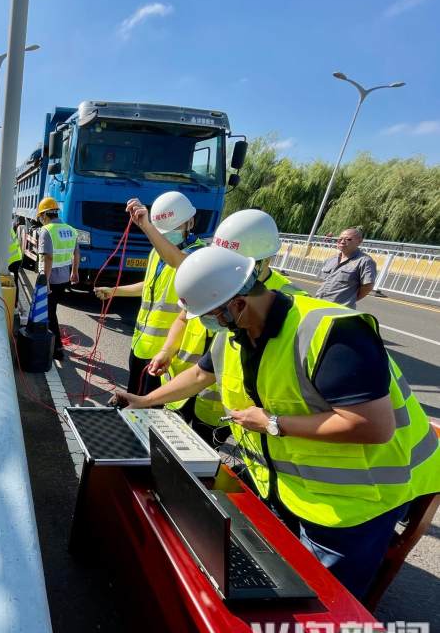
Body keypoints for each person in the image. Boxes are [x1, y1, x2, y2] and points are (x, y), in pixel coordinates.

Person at [112, 246, 440, 599]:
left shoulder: (332, 332)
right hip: (287, 485)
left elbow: (373, 426)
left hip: (355, 500)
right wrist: (144, 400)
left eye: (210, 316)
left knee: (322, 600)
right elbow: (199, 375)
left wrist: (273, 423)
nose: (208, 324)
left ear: (239, 303)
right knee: (272, 574)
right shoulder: (235, 332)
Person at [149, 209, 306, 438]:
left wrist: (275, 422)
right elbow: (183, 319)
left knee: (204, 454)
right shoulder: (214, 275)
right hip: (182, 387)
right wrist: (167, 350)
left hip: (226, 407)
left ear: (264, 261)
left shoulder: (289, 301)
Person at [94, 191, 205, 396]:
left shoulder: (198, 254)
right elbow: (149, 285)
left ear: (190, 222)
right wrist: (114, 291)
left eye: (173, 229)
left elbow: (178, 261)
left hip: (167, 352)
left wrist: (147, 226)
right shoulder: (156, 252)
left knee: (151, 406)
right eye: (163, 231)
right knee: (133, 398)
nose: (166, 235)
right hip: (141, 344)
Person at [36, 196, 79, 360]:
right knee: (51, 311)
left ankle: (57, 348)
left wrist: (45, 282)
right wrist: (74, 271)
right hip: (64, 279)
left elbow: (48, 258)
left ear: (45, 214)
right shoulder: (71, 230)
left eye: (41, 216)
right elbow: (76, 253)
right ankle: (53, 345)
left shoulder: (46, 230)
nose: (41, 219)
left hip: (51, 280)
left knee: (49, 313)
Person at [315, 227, 377, 309]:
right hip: (319, 304)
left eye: (348, 239)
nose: (342, 242)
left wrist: (349, 300)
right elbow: (324, 282)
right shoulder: (331, 259)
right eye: (340, 239)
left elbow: (367, 287)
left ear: (359, 242)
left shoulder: (365, 261)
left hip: (340, 309)